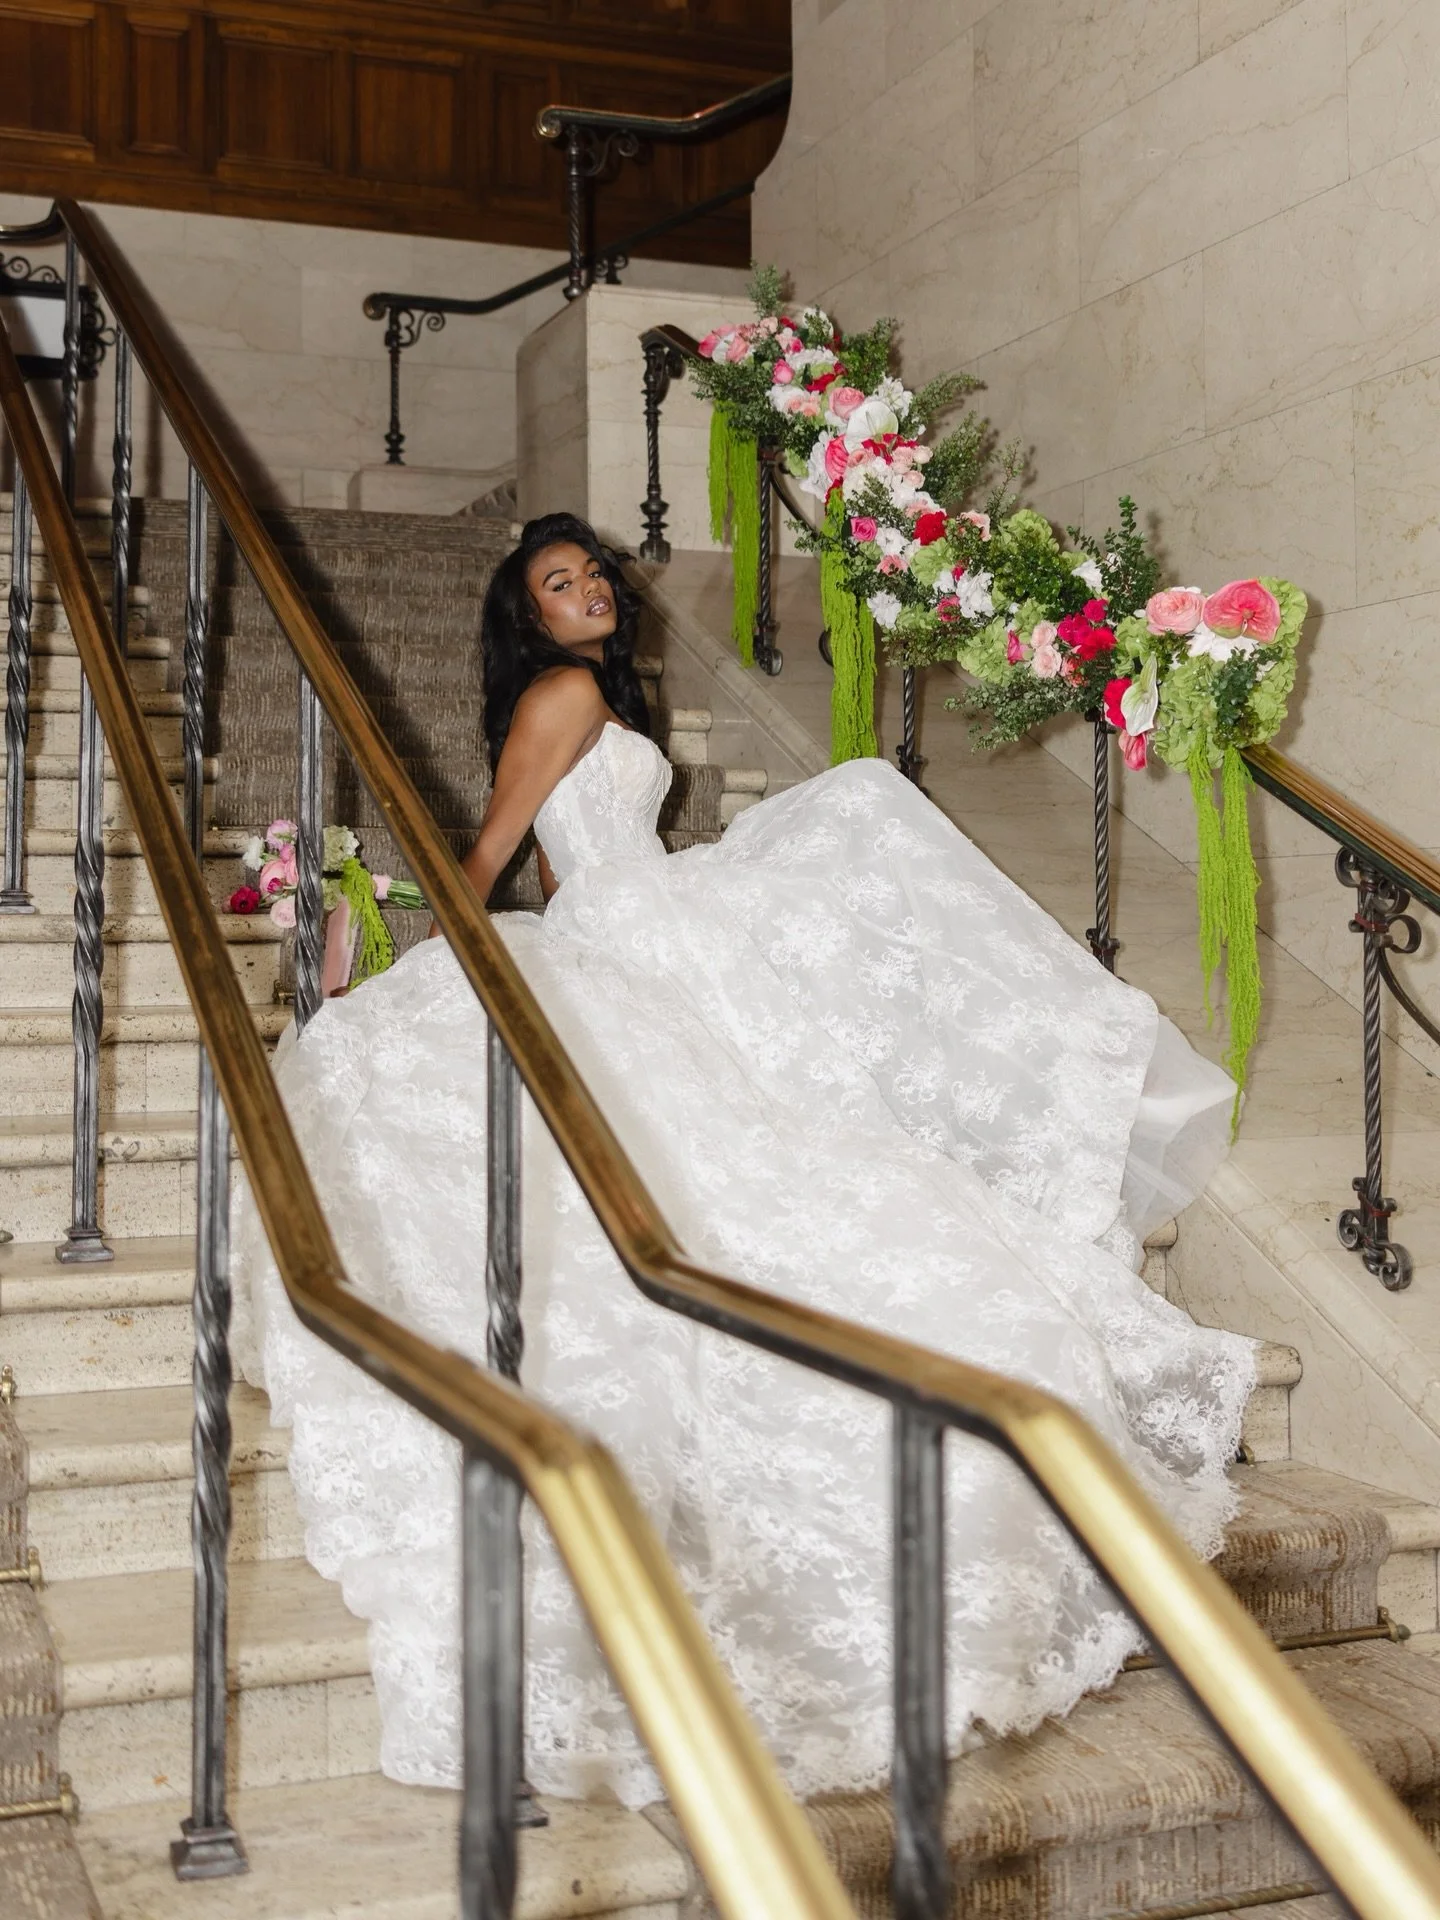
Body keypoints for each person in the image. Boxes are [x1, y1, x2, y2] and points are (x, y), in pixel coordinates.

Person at [233, 512, 1251, 1810]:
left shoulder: (591, 694)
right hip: (634, 925)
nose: (588, 587)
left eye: (592, 570)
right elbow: (495, 854)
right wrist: (399, 941)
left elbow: (543, 854)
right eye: (558, 580)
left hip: (651, 920)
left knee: (798, 1029)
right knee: (863, 814)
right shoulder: (554, 694)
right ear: (527, 617)